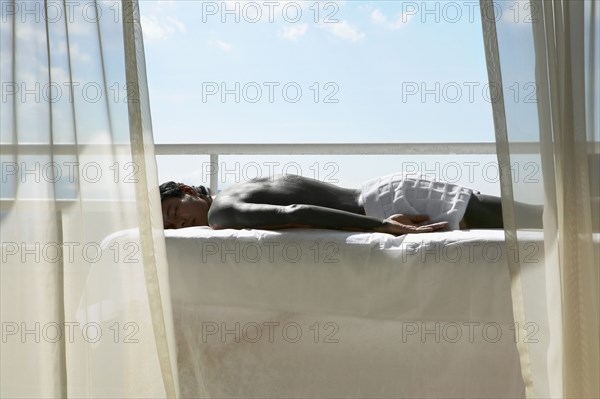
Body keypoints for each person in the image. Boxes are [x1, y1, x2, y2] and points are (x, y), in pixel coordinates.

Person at [160, 173, 518, 236]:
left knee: (525, 218)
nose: (181, 225)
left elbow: (295, 215)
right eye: (173, 228)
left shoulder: (221, 211)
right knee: (527, 218)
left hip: (381, 203)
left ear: (189, 190)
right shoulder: (235, 190)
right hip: (384, 191)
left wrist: (384, 226)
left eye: (175, 212)